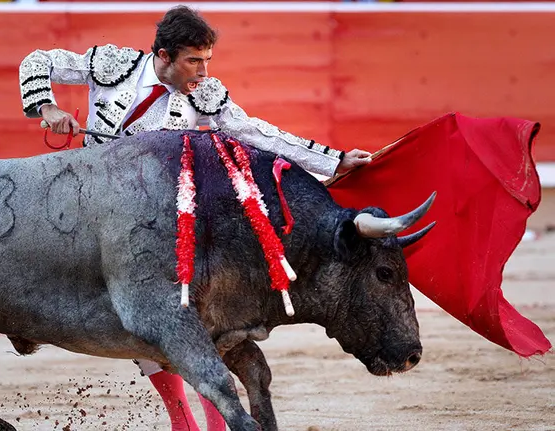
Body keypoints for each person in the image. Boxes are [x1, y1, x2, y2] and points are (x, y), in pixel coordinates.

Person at [19, 6, 371, 430]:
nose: (203, 71)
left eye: (208, 60)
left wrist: (333, 161)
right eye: (194, 60)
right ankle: (179, 416)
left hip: (161, 223)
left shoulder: (206, 95)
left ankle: (211, 418)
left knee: (173, 309)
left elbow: (258, 132)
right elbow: (37, 60)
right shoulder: (112, 64)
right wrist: (47, 107)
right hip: (94, 207)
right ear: (164, 56)